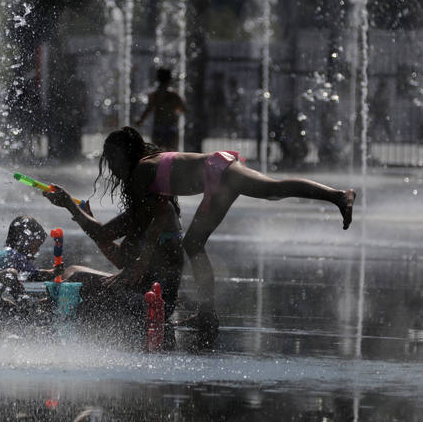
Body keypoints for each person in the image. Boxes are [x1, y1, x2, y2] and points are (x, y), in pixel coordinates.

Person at [97, 126, 355, 344]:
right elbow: (158, 212)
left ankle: (338, 196)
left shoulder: (142, 170)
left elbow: (146, 220)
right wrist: (142, 258)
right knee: (197, 241)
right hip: (219, 168)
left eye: (113, 157)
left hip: (216, 172)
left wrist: (139, 261)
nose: (111, 165)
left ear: (127, 152)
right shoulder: (149, 164)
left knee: (271, 190)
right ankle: (206, 314)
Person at [42, 179, 184, 336]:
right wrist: (87, 216)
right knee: (72, 271)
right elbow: (121, 260)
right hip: (138, 289)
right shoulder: (148, 209)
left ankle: (58, 331)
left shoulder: (156, 208)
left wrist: (69, 204)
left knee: (75, 280)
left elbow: (102, 233)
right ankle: (55, 322)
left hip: (153, 302)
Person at [0, 215, 56, 325]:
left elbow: (30, 277)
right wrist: (54, 273)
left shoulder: (9, 254)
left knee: (11, 312)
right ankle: (25, 305)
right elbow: (35, 275)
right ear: (24, 241)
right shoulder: (13, 255)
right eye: (36, 246)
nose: (37, 251)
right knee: (10, 275)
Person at [135, 67, 186, 150]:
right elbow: (183, 110)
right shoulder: (174, 95)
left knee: (158, 155)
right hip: (171, 128)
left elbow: (148, 109)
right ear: (170, 79)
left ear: (158, 79)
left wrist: (140, 120)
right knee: (172, 155)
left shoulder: (154, 94)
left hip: (158, 128)